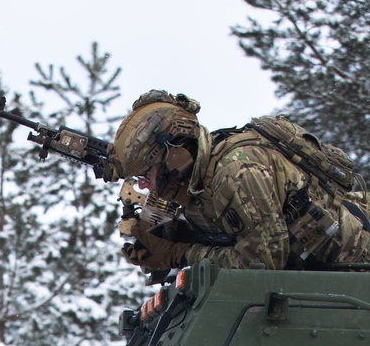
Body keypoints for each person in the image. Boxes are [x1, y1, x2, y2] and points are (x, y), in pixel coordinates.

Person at [111, 90, 370, 273]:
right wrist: (177, 238)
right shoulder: (198, 186)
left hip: (356, 268)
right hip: (328, 277)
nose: (143, 186)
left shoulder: (238, 171)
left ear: (174, 155)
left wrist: (182, 254)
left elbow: (262, 264)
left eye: (146, 175)